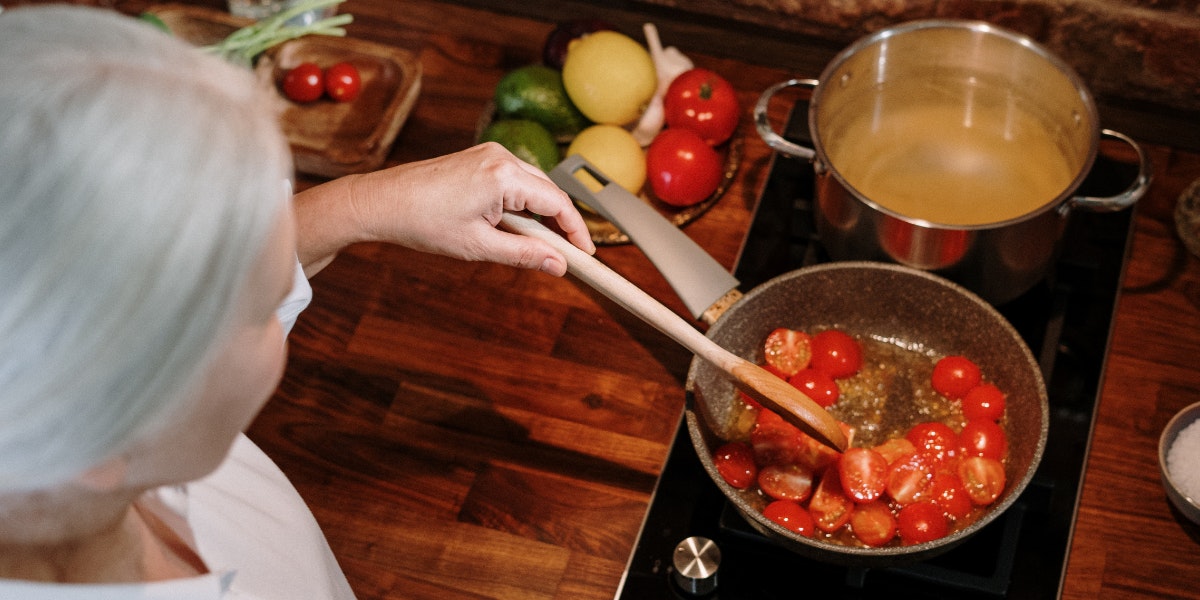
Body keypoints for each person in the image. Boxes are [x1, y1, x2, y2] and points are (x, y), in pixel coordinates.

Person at [0, 4, 594, 598]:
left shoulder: (83, 434)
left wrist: (366, 204)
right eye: (258, 310)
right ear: (100, 435)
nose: (279, 286)